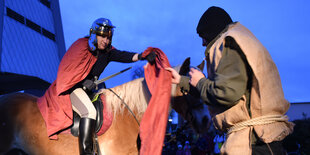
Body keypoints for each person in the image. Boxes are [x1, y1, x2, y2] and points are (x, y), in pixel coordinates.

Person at [166, 6, 294, 155]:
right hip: (257, 138)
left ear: (211, 31)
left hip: (254, 141)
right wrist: (182, 81)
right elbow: (228, 89)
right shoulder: (242, 39)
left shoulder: (228, 42)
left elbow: (226, 92)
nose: (202, 43)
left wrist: (200, 82)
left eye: (203, 36)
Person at [38, 18, 155, 155]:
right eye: (102, 36)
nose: (105, 40)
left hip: (90, 90)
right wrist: (82, 83)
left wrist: (142, 56)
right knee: (89, 112)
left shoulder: (107, 52)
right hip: (73, 89)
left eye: (108, 38)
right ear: (94, 34)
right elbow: (67, 72)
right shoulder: (80, 46)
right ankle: (86, 152)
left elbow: (124, 55)